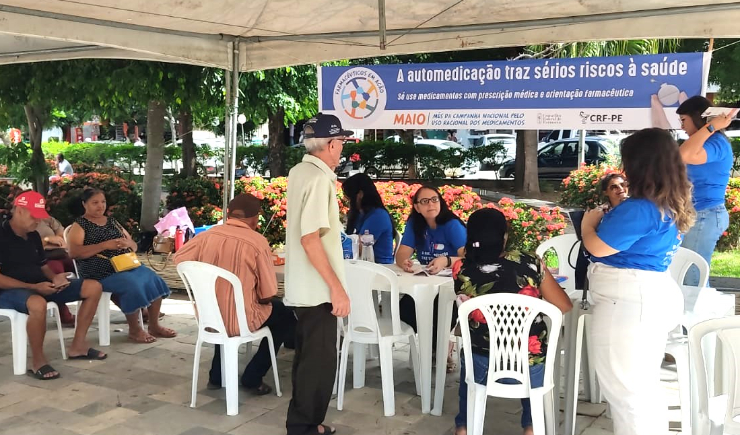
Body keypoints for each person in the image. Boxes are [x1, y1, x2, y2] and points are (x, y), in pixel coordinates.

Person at [581, 128, 695, 435]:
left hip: (628, 303)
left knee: (626, 393)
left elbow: (597, 247)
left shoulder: (640, 207)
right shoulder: (669, 200)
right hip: (646, 296)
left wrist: (587, 224)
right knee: (641, 389)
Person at [453, 208, 572, 435]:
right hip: (528, 363)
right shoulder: (529, 263)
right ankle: (531, 428)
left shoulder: (460, 268)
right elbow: (564, 306)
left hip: (481, 361)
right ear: (504, 236)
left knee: (468, 369)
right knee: (533, 351)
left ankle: (464, 428)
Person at [174, 193, 296, 395]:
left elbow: (180, 259)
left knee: (221, 307)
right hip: (241, 320)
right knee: (285, 316)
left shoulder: (206, 236)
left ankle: (217, 375)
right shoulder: (257, 242)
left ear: (228, 213)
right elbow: (268, 293)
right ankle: (253, 377)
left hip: (208, 316)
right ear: (255, 218)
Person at [284, 113, 351, 435]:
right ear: (332, 144)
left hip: (303, 285)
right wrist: (336, 288)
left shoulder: (299, 171)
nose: (342, 151)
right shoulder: (318, 179)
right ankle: (304, 427)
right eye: (341, 144)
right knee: (319, 363)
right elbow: (310, 238)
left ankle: (306, 422)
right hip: (316, 288)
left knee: (308, 358)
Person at [0, 191, 106, 380]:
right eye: (34, 216)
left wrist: (55, 277)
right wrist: (33, 287)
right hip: (9, 291)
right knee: (37, 304)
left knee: (93, 287)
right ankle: (38, 361)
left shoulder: (33, 236)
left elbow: (42, 265)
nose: (37, 222)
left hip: (40, 286)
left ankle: (78, 346)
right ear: (19, 211)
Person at [67, 188, 176, 344]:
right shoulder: (80, 225)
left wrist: (127, 243)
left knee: (152, 278)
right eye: (95, 203)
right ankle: (134, 329)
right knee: (131, 285)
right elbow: (74, 252)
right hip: (98, 272)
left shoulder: (112, 221)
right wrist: (105, 245)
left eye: (103, 202)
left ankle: (154, 325)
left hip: (124, 265)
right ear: (85, 204)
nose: (100, 206)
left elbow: (133, 245)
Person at [395, 185, 466, 370]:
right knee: (404, 311)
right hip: (425, 283)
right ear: (417, 207)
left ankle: (440, 348)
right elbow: (402, 253)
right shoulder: (415, 224)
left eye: (434, 199)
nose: (430, 204)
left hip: (452, 286)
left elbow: (470, 258)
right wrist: (404, 262)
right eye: (424, 201)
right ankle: (439, 346)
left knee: (440, 310)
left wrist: (447, 260)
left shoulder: (452, 225)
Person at [676, 96, 737, 284]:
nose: (682, 127)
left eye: (684, 120)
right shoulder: (702, 141)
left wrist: (712, 126)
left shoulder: (716, 142)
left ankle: (703, 313)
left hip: (706, 214)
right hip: (698, 213)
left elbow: (684, 155)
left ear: (697, 118)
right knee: (686, 273)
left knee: (692, 276)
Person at [342, 173, 395, 264]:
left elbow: (358, 248)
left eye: (349, 199)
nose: (348, 202)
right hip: (364, 264)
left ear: (360, 195)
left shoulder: (378, 216)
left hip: (379, 266)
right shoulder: (361, 214)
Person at [35, 216, 76, 325]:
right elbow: (28, 245)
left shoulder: (47, 219)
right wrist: (47, 240)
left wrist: (49, 242)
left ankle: (125, 307)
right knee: (56, 274)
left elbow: (61, 237)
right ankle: (65, 315)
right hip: (45, 258)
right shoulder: (18, 224)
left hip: (61, 253)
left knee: (93, 267)